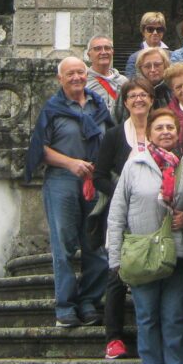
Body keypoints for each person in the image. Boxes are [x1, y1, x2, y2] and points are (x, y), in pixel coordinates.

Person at [107, 108, 183, 364]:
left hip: (179, 252)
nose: (166, 132)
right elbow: (117, 212)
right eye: (159, 128)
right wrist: (114, 257)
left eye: (170, 127)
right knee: (146, 315)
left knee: (174, 315)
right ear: (149, 134)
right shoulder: (134, 166)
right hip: (141, 252)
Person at [24, 56, 114, 328]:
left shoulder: (99, 106)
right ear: (59, 79)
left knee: (95, 244)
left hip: (94, 180)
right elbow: (41, 148)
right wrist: (71, 163)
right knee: (63, 245)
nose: (76, 77)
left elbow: (110, 139)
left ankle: (88, 302)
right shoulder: (52, 109)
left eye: (80, 72)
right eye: (70, 74)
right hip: (62, 179)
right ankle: (65, 306)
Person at [95, 79, 155, 358]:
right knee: (117, 274)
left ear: (152, 100)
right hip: (123, 215)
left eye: (144, 95)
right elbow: (98, 175)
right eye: (133, 96)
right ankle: (114, 337)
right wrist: (122, 195)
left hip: (157, 214)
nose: (139, 99)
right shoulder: (115, 136)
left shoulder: (162, 131)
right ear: (126, 102)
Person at [115, 46, 172, 122]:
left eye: (157, 65)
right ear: (140, 68)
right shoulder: (128, 89)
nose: (153, 69)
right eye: (147, 66)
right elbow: (116, 120)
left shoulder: (173, 88)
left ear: (165, 65)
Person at [125, 12, 171, 79]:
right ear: (143, 31)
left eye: (159, 29)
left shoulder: (172, 55)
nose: (155, 33)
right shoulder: (134, 58)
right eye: (150, 29)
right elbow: (131, 82)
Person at [87, 35, 127, 107]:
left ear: (112, 52)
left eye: (107, 48)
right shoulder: (84, 82)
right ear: (89, 55)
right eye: (98, 48)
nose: (103, 52)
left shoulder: (124, 82)